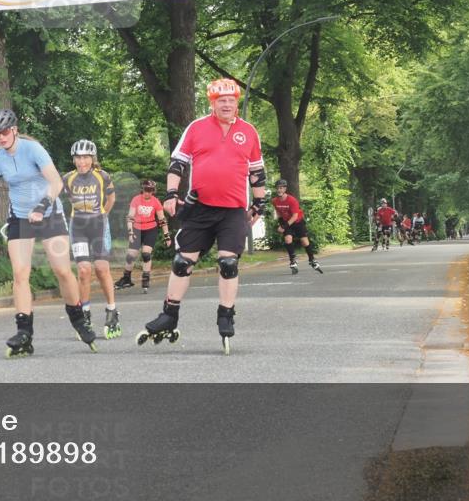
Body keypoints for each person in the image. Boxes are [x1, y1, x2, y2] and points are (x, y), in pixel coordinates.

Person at [137, 78, 266, 355]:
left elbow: (257, 172)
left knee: (228, 262)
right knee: (183, 262)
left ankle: (226, 315)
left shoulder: (249, 132)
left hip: (233, 211)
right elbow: (177, 163)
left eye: (231, 100)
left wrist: (260, 203)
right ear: (212, 103)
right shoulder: (196, 128)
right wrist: (171, 194)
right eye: (222, 100)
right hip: (201, 208)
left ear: (236, 102)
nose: (227, 104)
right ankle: (169, 315)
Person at [0, 109, 95, 358]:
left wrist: (42, 206)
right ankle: (24, 332)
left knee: (62, 270)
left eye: (5, 131)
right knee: (20, 273)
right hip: (20, 217)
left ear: (15, 130)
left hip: (49, 213)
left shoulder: (33, 150)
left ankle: (78, 318)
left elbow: (56, 183)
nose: (1, 137)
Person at [61, 139, 120, 339]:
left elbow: (111, 198)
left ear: (92, 158)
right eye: (78, 157)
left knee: (102, 270)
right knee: (84, 271)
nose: (81, 161)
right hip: (78, 227)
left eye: (85, 157)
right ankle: (84, 314)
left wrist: (103, 216)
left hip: (98, 226)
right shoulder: (67, 178)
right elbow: (62, 199)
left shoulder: (103, 176)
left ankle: (112, 311)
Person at [116, 180, 172, 295]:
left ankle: (145, 280)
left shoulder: (156, 202)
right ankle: (126, 279)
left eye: (150, 191)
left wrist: (167, 236)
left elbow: (162, 220)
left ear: (153, 191)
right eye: (146, 190)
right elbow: (130, 217)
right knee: (130, 255)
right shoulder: (136, 199)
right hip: (137, 228)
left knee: (146, 254)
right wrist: (131, 233)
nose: (147, 193)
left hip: (150, 229)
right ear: (143, 190)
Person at [271, 179, 323, 275]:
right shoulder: (274, 201)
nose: (279, 190)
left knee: (304, 241)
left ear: (285, 189)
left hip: (298, 221)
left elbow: (295, 216)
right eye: (277, 188)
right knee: (288, 239)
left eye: (281, 188)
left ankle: (312, 260)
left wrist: (284, 226)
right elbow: (278, 212)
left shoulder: (292, 200)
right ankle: (293, 261)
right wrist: (281, 224)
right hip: (287, 222)